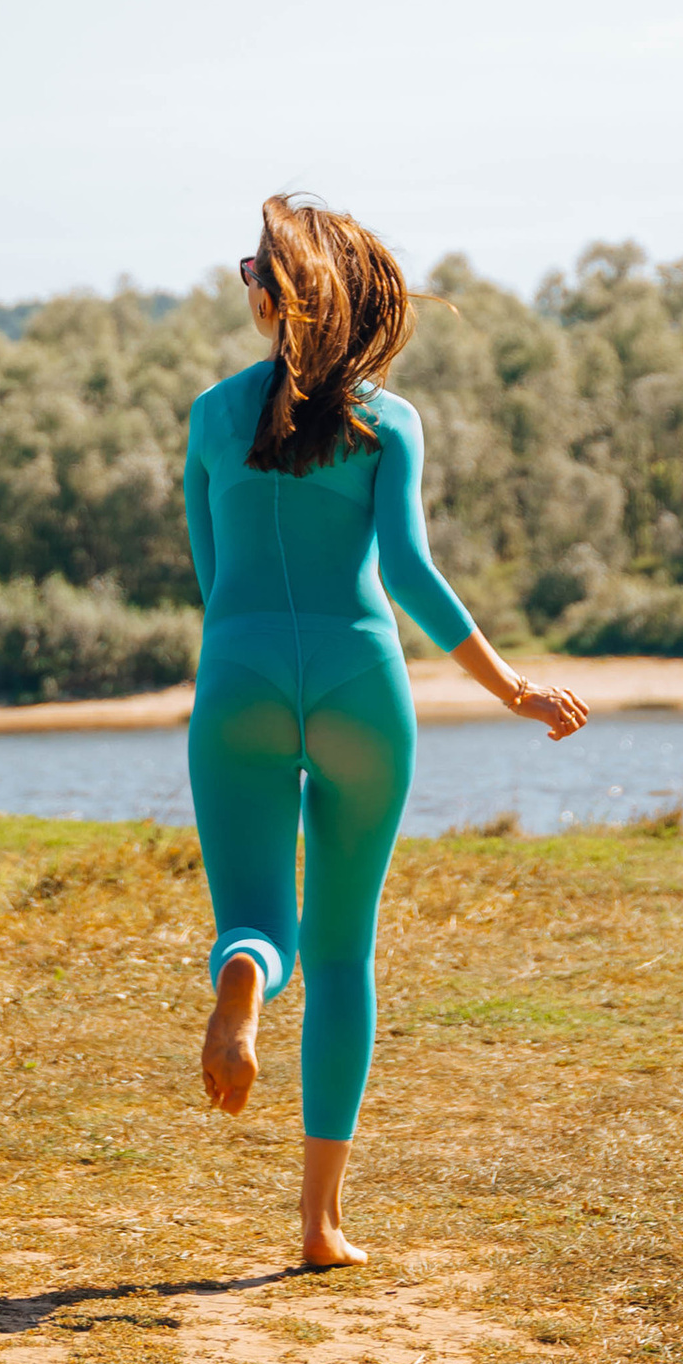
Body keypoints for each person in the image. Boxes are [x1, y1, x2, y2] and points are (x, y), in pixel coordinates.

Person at [185, 193, 587, 1269]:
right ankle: (318, 1224)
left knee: (261, 920)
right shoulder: (389, 422)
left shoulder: (212, 416)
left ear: (274, 296)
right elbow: (406, 571)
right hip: (362, 682)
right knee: (346, 945)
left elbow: (212, 579)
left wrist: (247, 654)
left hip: (238, 679)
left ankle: (243, 980)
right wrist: (512, 690)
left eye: (247, 268)